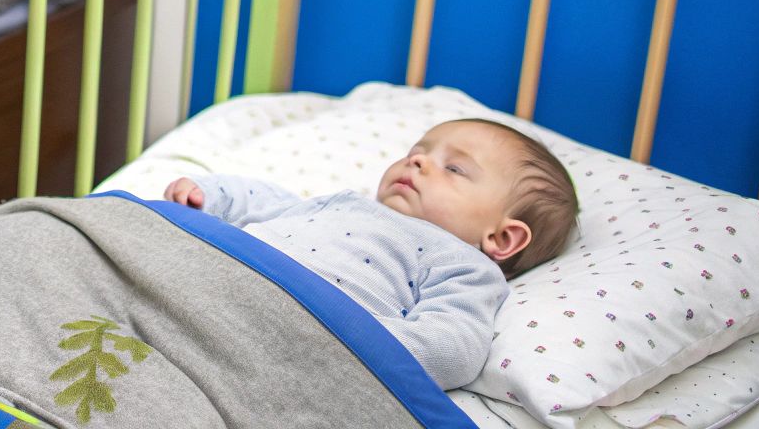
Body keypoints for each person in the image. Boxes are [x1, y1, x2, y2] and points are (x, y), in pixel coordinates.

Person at [164, 118, 578, 389]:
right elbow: (264, 200)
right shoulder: (344, 203)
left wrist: (353, 340)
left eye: (454, 169)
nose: (417, 161)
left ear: (501, 239)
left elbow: (455, 346)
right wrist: (208, 196)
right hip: (211, 283)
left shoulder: (464, 264)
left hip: (295, 334)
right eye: (419, 150)